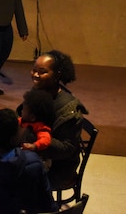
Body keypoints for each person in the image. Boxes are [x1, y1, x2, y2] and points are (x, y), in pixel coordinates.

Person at [17, 49, 88, 190]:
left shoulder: (69, 108)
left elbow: (67, 148)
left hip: (59, 168)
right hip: (37, 157)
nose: (35, 75)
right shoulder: (39, 91)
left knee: (7, 178)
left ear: (57, 75)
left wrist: (34, 139)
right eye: (34, 70)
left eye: (42, 72)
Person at [19, 89, 55, 153]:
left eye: (23, 110)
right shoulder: (23, 120)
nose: (21, 111)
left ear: (32, 117)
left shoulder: (41, 127)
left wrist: (34, 146)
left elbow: (46, 140)